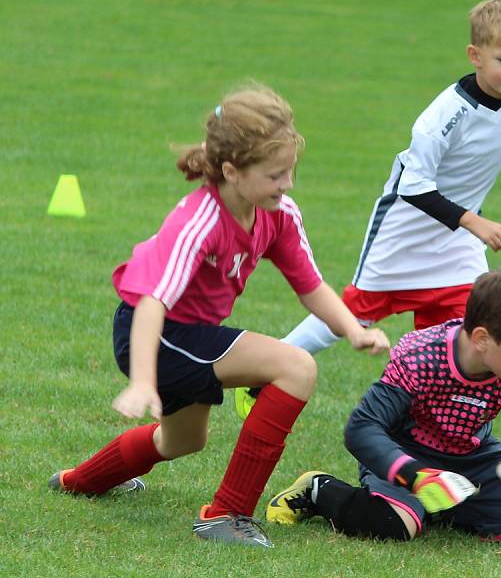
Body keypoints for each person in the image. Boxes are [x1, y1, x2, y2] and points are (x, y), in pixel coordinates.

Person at [47, 84, 389, 549]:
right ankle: (225, 515)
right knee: (295, 366)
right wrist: (143, 381)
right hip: (154, 333)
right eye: (274, 175)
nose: (286, 184)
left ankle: (76, 482)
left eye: (289, 171)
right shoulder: (199, 220)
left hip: (188, 337)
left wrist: (352, 330)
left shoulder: (279, 213)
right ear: (231, 171)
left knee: (182, 442)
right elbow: (152, 303)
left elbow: (309, 285)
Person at [235, 0, 501, 417]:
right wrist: (473, 223)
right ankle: (264, 372)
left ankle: (426, 419)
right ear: (475, 55)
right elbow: (413, 187)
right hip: (408, 224)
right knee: (357, 313)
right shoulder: (445, 115)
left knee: (465, 322)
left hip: (460, 235)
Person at [266, 267, 501, 543]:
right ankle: (320, 489)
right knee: (392, 526)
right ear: (482, 338)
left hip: (472, 457)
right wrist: (414, 475)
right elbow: (363, 428)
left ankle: (444, 505)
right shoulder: (421, 357)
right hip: (407, 454)